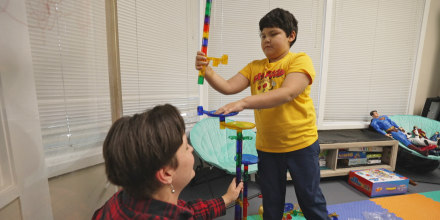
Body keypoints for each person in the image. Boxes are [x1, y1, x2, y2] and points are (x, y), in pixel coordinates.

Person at [196, 8, 330, 220]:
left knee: (310, 200)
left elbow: (287, 93)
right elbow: (228, 86)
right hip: (268, 148)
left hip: (301, 145)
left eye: (273, 34)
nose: (266, 39)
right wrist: (208, 71)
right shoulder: (254, 67)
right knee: (271, 202)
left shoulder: (299, 60)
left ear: (291, 35)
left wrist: (243, 102)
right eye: (263, 35)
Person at [92, 104, 243, 220]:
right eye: (185, 147)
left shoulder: (122, 198)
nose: (191, 149)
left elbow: (188, 212)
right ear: (166, 173)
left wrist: (227, 198)